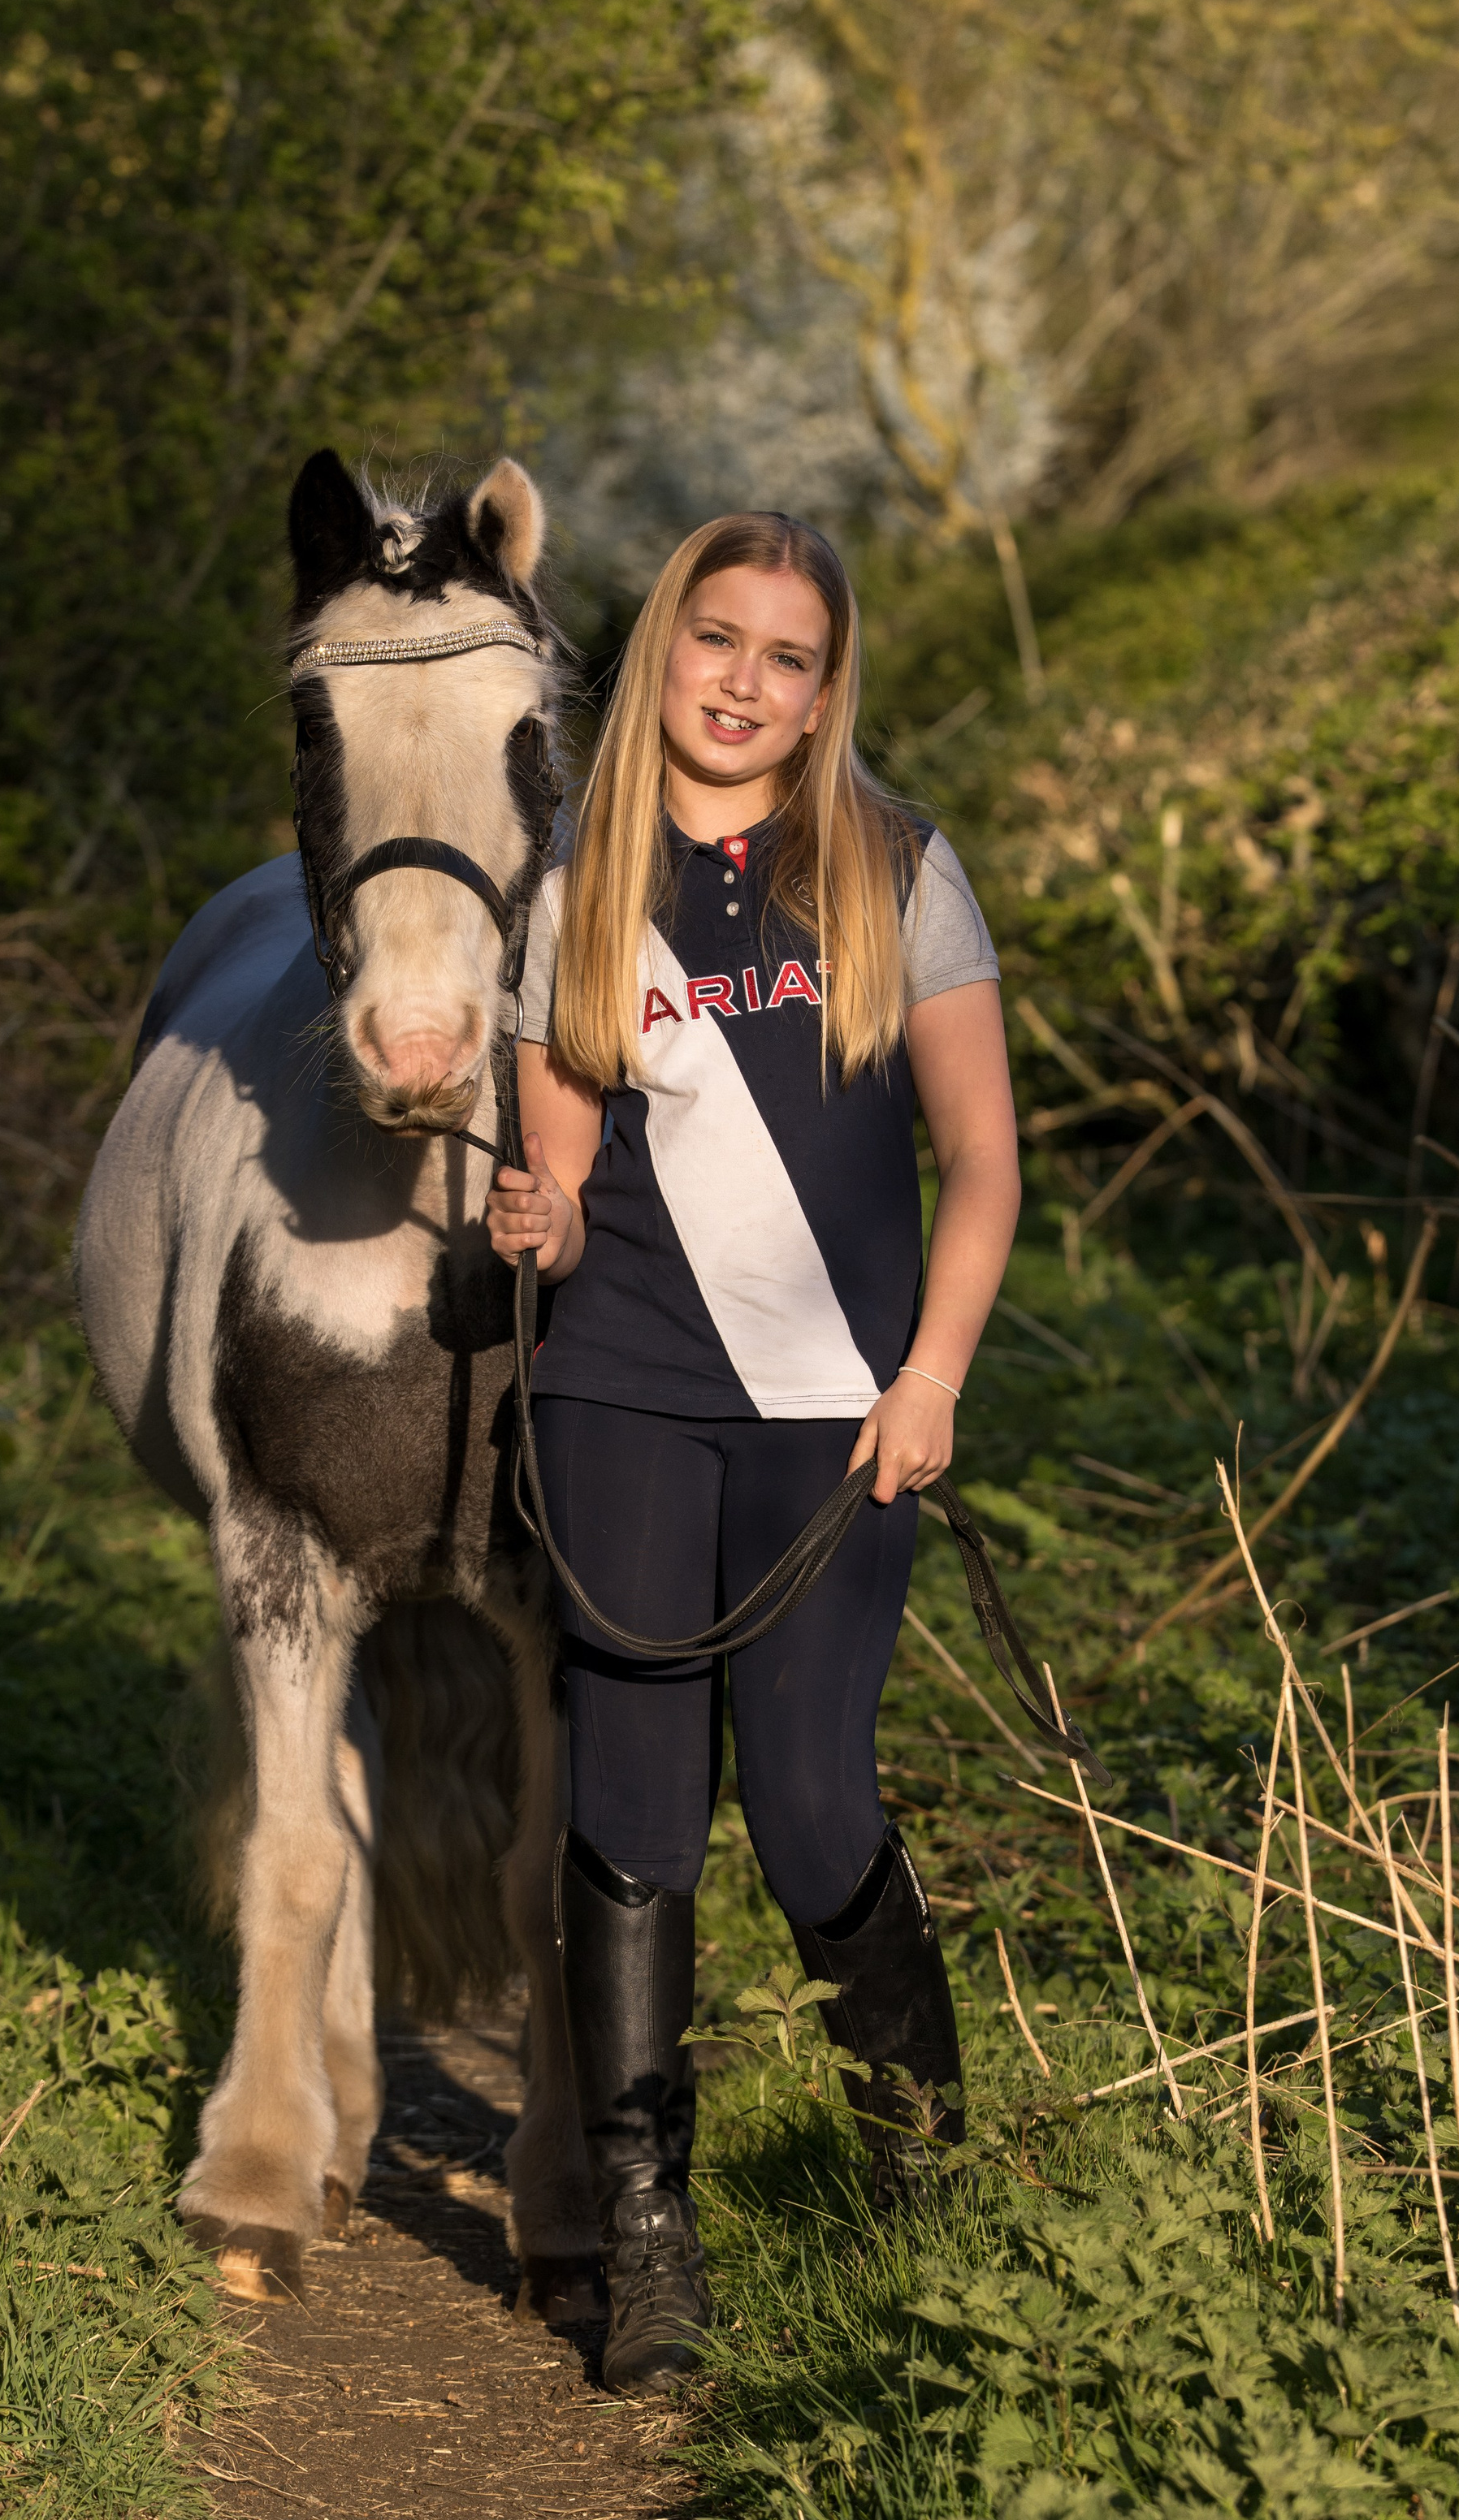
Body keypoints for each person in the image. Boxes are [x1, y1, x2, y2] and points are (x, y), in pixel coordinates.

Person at [484, 512, 1020, 2394]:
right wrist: (531, 1224)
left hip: (836, 1411)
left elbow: (980, 1158)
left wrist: (932, 1372)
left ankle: (927, 2192)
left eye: (785, 657)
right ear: (664, 653)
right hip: (620, 1389)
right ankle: (644, 2244)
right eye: (715, 639)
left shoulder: (894, 866)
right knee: (628, 1814)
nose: (742, 681)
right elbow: (550, 1167)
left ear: (821, 688)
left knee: (808, 1810)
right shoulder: (571, 874)